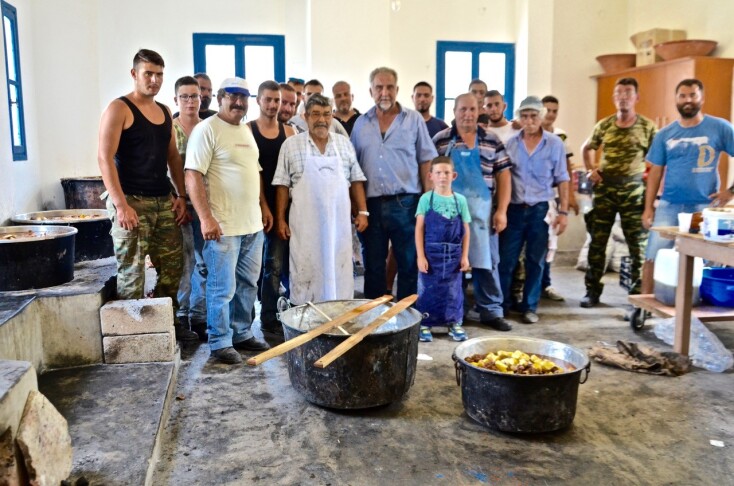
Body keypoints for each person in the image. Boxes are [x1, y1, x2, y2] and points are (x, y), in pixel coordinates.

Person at [97, 48, 197, 341]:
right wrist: (120, 204)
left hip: (162, 200)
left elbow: (173, 158)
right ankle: (133, 337)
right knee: (132, 272)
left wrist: (180, 196)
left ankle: (167, 325)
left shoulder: (165, 111)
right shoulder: (119, 109)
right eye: (148, 74)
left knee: (172, 267)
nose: (154, 80)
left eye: (159, 75)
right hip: (131, 200)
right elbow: (104, 158)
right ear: (134, 74)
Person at [185, 77, 273, 364]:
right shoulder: (207, 130)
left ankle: (242, 333)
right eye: (232, 96)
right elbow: (192, 175)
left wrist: (264, 208)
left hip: (252, 226)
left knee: (247, 285)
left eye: (243, 97)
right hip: (222, 227)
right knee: (222, 288)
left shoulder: (245, 131)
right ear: (220, 98)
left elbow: (254, 173)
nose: (238, 102)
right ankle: (220, 341)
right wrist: (205, 218)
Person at [351, 67, 438, 300]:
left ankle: (407, 315)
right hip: (371, 207)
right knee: (373, 266)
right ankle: (375, 315)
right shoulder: (361, 124)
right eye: (379, 87)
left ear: (397, 90)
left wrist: (427, 202)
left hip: (406, 204)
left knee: (409, 263)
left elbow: (426, 161)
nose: (384, 92)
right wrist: (357, 207)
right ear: (371, 91)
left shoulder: (413, 120)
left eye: (389, 87)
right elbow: (352, 168)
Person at [273, 94, 368, 304]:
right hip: (305, 228)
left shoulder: (344, 144)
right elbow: (282, 185)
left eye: (326, 114)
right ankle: (306, 316)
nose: (322, 120)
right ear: (306, 116)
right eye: (315, 114)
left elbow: (356, 180)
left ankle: (339, 316)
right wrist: (280, 219)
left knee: (339, 274)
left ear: (332, 116)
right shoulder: (291, 145)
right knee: (306, 272)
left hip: (338, 227)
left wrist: (362, 211)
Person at [642, 78, 734, 287]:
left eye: (693, 95)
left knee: (705, 260)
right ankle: (643, 303)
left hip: (705, 207)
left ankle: (696, 304)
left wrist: (730, 192)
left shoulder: (720, 127)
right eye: (682, 96)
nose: (688, 100)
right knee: (653, 256)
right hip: (669, 205)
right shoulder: (664, 134)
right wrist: (648, 208)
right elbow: (655, 172)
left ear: (702, 98)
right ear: (676, 99)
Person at [433, 93, 513, 332]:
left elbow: (504, 176)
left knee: (487, 263)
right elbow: (430, 175)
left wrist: (502, 211)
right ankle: (455, 311)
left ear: (479, 112)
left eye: (472, 109)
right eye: (463, 109)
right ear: (454, 112)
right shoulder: (441, 140)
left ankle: (491, 311)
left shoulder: (492, 140)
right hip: (448, 214)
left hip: (483, 216)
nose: (467, 114)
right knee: (451, 265)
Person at [580, 78, 657, 308]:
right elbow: (586, 148)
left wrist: (652, 197)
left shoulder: (647, 127)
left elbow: (659, 161)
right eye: (619, 93)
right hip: (605, 190)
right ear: (614, 98)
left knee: (638, 247)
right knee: (597, 243)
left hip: (634, 191)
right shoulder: (604, 125)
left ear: (636, 97)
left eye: (628, 92)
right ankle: (592, 291)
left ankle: (637, 298)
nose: (623, 97)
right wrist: (591, 170)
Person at [500, 96, 570, 324]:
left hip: (541, 210)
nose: (529, 121)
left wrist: (564, 213)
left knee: (536, 261)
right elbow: (503, 178)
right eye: (525, 116)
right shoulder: (510, 144)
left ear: (541, 117)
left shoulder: (555, 144)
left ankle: (529, 306)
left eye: (533, 116)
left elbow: (563, 179)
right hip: (514, 209)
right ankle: (503, 305)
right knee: (506, 260)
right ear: (519, 118)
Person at [248, 81, 296, 340]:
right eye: (268, 99)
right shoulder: (248, 130)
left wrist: (281, 213)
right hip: (255, 205)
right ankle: (251, 319)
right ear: (258, 100)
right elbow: (251, 172)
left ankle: (272, 316)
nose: (273, 105)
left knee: (276, 265)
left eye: (277, 100)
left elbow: (291, 174)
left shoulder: (289, 132)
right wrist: (263, 206)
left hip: (283, 207)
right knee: (255, 266)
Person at [415, 156, 471, 342]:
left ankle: (454, 324)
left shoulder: (460, 200)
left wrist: (465, 256)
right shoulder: (425, 199)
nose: (442, 176)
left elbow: (466, 231)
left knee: (453, 291)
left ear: (453, 176)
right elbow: (419, 229)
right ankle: (425, 324)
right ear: (430, 176)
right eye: (438, 172)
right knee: (428, 290)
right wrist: (421, 256)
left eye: (446, 173)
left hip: (454, 255)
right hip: (431, 254)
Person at [172, 76, 208, 340]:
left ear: (201, 98)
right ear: (176, 100)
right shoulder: (170, 130)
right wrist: (177, 198)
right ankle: (181, 317)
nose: (190, 101)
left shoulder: (208, 128)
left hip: (204, 205)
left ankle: (200, 316)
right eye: (184, 96)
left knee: (204, 262)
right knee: (184, 263)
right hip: (178, 205)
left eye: (194, 96)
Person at [538, 95, 579, 302]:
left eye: (554, 111)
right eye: (547, 110)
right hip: (534, 197)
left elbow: (567, 168)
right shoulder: (529, 133)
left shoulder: (560, 136)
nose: (551, 114)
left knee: (549, 242)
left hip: (553, 197)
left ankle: (546, 284)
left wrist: (569, 197)